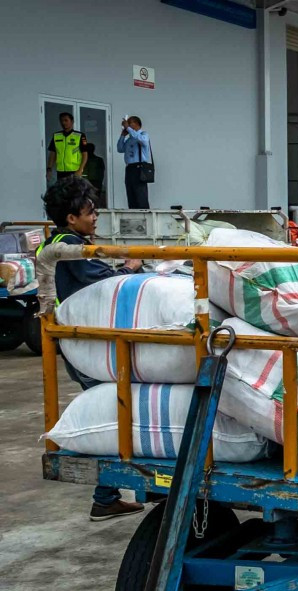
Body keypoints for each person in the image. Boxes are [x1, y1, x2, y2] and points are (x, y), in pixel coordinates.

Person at [39, 177, 145, 521]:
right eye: (90, 211)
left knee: (117, 411)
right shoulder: (70, 246)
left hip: (82, 344)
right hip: (85, 348)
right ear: (72, 217)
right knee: (115, 413)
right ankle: (105, 497)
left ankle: (112, 495)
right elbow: (103, 279)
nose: (96, 216)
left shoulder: (62, 241)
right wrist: (129, 268)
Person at [116, 115, 152, 209]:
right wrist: (123, 135)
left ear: (136, 124)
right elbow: (120, 149)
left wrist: (128, 128)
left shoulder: (143, 135)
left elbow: (143, 141)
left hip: (139, 167)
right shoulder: (130, 139)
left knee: (140, 195)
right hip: (129, 168)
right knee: (131, 193)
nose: (127, 125)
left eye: (130, 122)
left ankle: (144, 216)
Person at [47, 112, 86, 183]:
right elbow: (52, 153)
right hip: (61, 171)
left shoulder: (80, 136)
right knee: (62, 192)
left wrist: (80, 170)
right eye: (61, 121)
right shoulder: (56, 136)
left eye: (66, 120)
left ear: (72, 121)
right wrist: (49, 169)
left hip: (74, 171)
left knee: (74, 192)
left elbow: (85, 154)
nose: (63, 123)